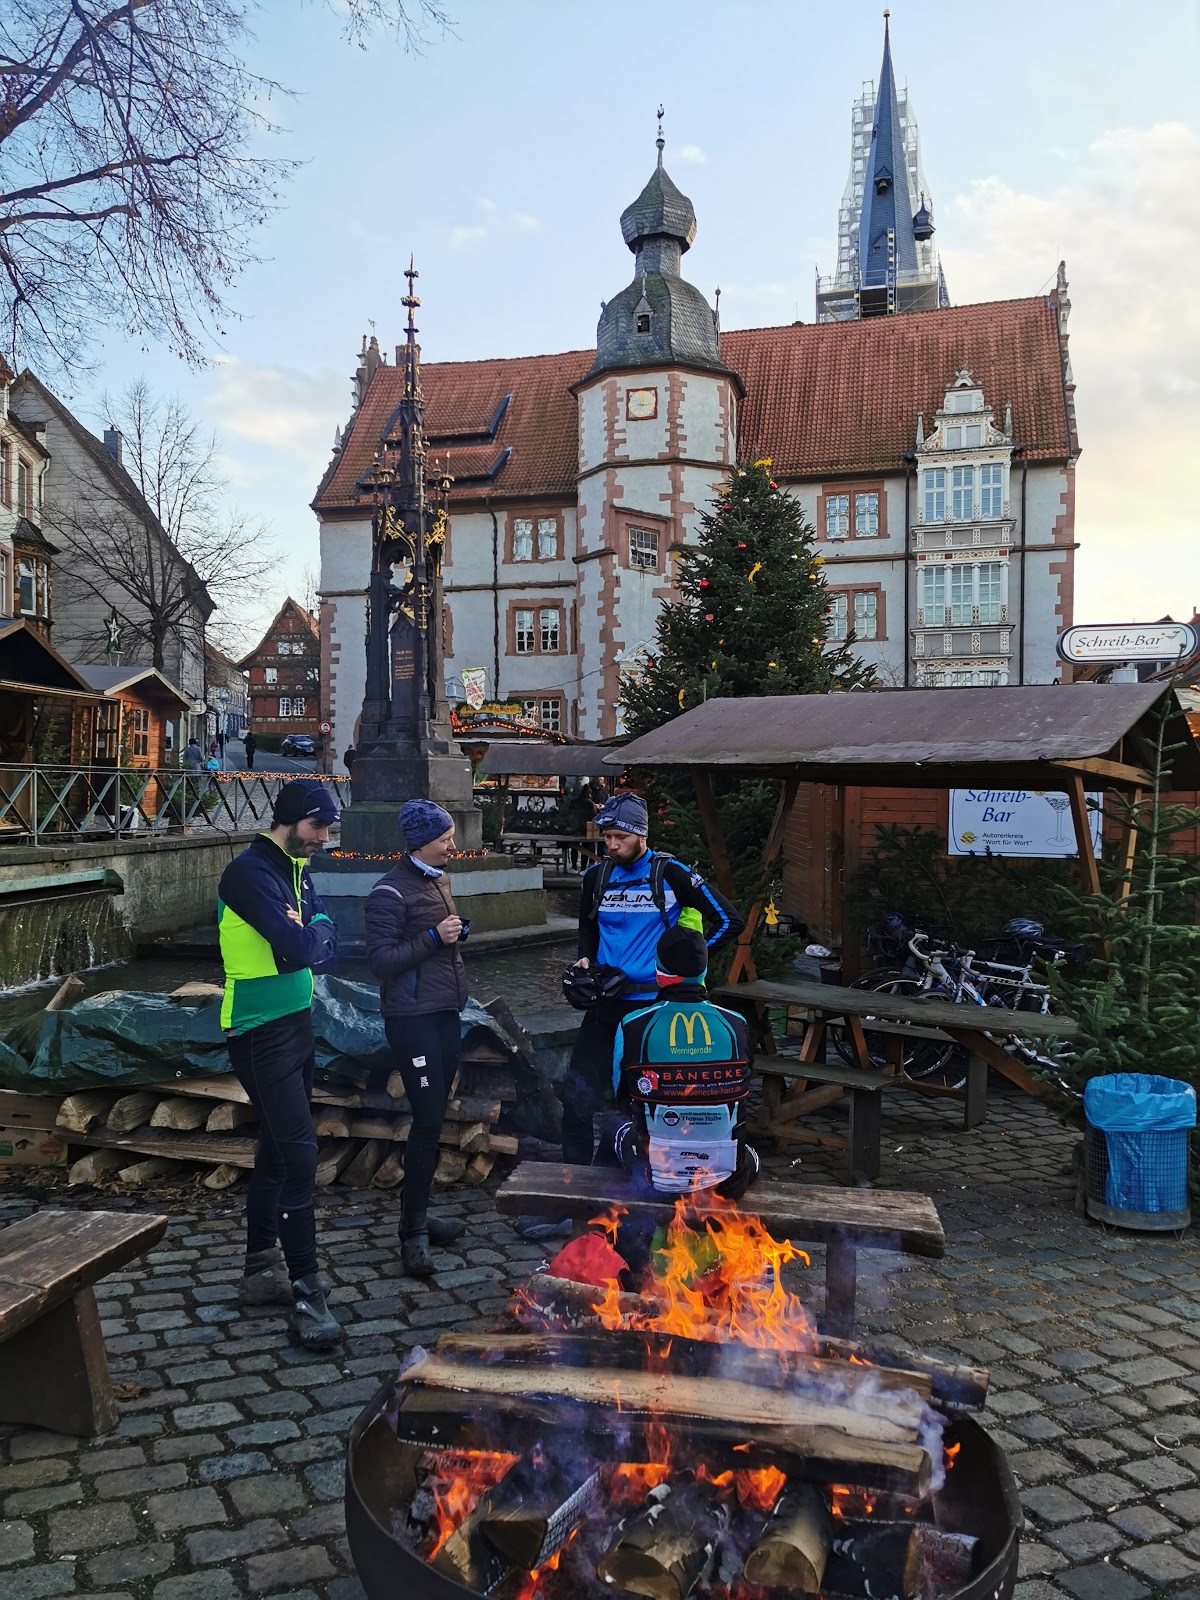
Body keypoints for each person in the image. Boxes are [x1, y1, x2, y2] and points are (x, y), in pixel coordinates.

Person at [217, 779, 343, 1348]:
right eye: (318, 826)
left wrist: (310, 930)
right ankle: (308, 1294)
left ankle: (257, 1272)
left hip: (296, 1024)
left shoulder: (297, 870)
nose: (324, 837)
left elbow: (325, 937)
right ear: (291, 820)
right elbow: (298, 949)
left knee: (275, 1149)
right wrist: (309, 933)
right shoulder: (249, 874)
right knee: (298, 1156)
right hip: (258, 1031)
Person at [560, 791, 744, 1165]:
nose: (611, 845)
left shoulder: (670, 873)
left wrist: (686, 964)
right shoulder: (596, 877)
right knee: (576, 1100)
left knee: (634, 1101)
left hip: (651, 1011)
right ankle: (570, 1183)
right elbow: (588, 928)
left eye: (620, 837)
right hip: (605, 1006)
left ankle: (621, 1177)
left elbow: (729, 921)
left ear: (642, 835)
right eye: (606, 836)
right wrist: (585, 959)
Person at [364, 799, 468, 1278]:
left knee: (435, 1116)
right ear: (421, 841)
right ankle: (413, 1232)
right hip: (412, 1020)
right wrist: (433, 938)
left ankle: (420, 1216)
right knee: (427, 1119)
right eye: (445, 838)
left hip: (443, 1012)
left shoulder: (436, 878)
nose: (453, 845)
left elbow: (435, 942)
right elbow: (381, 961)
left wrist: (452, 935)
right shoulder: (388, 891)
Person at [609, 919, 760, 1200]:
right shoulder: (736, 1024)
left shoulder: (632, 1025)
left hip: (654, 1181)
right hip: (727, 1183)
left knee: (616, 1129)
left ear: (659, 972)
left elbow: (621, 1097)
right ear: (704, 971)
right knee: (748, 1150)